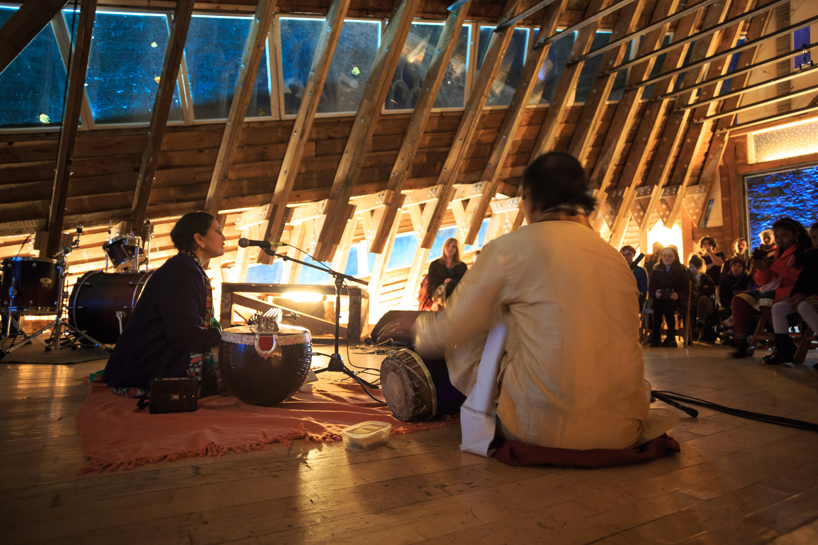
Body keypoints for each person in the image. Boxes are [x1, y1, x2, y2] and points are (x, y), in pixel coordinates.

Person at [415, 151, 675, 451]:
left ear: (529, 197)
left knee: (478, 329)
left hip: (540, 428)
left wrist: (420, 332)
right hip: (622, 428)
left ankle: (509, 411)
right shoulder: (616, 258)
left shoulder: (510, 248)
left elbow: (450, 329)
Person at [103, 212, 226, 397]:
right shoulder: (181, 272)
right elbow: (184, 336)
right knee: (230, 362)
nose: (223, 237)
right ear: (199, 239)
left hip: (164, 352)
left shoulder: (188, 268)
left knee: (233, 357)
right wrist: (225, 337)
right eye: (217, 231)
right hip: (147, 363)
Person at [730, 218, 811, 358]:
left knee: (766, 299)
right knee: (739, 300)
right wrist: (762, 270)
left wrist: (772, 266)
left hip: (793, 288)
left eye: (784, 235)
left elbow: (799, 277)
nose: (780, 240)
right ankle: (741, 342)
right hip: (773, 288)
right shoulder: (775, 252)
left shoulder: (804, 252)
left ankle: (784, 343)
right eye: (777, 236)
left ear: (796, 234)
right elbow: (763, 281)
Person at [763, 243, 818, 365]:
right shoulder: (811, 254)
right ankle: (783, 350)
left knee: (804, 306)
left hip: (813, 296)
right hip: (807, 295)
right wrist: (797, 293)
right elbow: (804, 277)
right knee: (778, 308)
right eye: (814, 237)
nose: (816, 241)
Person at [649, 246, 689, 348]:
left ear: (675, 257)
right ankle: (656, 335)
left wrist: (678, 295)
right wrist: (656, 293)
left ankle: (671, 337)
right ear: (661, 257)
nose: (667, 258)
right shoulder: (656, 270)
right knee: (657, 305)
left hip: (676, 301)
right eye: (665, 256)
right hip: (660, 299)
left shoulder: (682, 270)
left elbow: (685, 288)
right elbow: (652, 286)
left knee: (667, 305)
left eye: (670, 256)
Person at [426, 237, 468, 307]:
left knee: (452, 287)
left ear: (456, 250)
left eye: (453, 247)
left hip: (455, 290)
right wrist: (444, 281)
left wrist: (452, 280)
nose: (450, 249)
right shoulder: (435, 264)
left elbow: (466, 280)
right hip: (438, 290)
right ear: (444, 247)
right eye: (448, 246)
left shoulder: (462, 266)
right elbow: (431, 280)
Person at [687, 254, 716, 342]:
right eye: (690, 267)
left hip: (705, 301)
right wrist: (702, 288)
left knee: (702, 300)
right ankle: (693, 332)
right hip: (692, 300)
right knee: (691, 305)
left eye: (692, 267)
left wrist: (698, 289)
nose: (690, 269)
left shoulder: (706, 277)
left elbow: (711, 290)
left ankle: (701, 322)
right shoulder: (688, 278)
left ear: (699, 267)